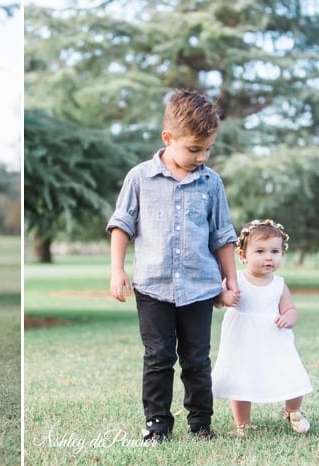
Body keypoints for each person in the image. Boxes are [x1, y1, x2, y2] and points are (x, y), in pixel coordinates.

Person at [106, 89, 240, 444]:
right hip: (152, 286)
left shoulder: (211, 183)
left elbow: (222, 236)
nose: (201, 157)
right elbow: (122, 225)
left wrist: (231, 281)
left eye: (208, 149)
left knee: (197, 358)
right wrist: (117, 270)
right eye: (194, 149)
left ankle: (201, 423)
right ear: (168, 138)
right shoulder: (139, 177)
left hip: (199, 286)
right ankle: (157, 425)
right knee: (158, 357)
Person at [212, 219, 312, 438]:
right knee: (241, 379)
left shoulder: (279, 283)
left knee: (292, 374)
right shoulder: (236, 279)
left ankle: (293, 410)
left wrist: (289, 318)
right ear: (243, 255)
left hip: (274, 339)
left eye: (275, 251)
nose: (269, 257)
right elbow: (217, 300)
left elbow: (290, 309)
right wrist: (226, 297)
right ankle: (243, 424)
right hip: (242, 338)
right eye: (260, 251)